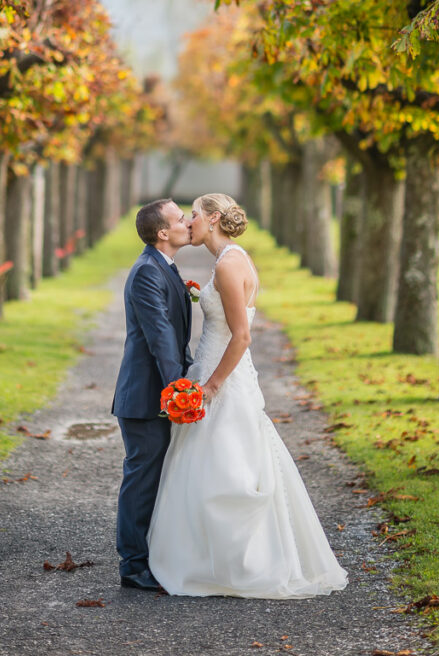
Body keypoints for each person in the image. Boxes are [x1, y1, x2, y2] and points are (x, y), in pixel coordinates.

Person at [147, 192, 348, 599]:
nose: (189, 222)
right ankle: (207, 557)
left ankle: (236, 563)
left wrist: (212, 386)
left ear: (214, 218)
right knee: (208, 465)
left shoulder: (229, 265)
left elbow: (241, 336)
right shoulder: (228, 259)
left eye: (195, 215)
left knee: (227, 466)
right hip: (213, 368)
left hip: (224, 378)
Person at [112, 197, 192, 590]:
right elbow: (159, 336)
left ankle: (152, 556)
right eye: (181, 218)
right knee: (142, 479)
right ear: (163, 232)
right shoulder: (147, 272)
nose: (189, 221)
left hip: (156, 392)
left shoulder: (164, 267)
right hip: (146, 397)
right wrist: (177, 389)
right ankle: (132, 565)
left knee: (157, 477)